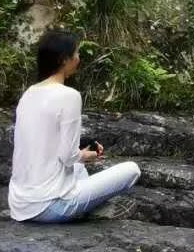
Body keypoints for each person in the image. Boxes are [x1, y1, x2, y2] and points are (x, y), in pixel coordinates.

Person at [8, 30, 141, 223]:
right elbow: (68, 157)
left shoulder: (29, 93)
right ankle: (84, 209)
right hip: (50, 206)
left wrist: (80, 153)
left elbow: (44, 144)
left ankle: (83, 204)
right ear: (64, 60)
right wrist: (86, 155)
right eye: (77, 53)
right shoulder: (69, 96)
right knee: (132, 169)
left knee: (79, 170)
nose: (79, 58)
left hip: (19, 204)